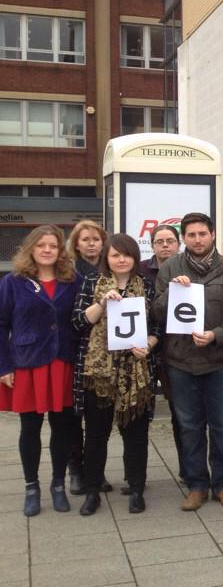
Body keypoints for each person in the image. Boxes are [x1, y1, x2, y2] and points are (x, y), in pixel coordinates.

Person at [154, 212, 223, 511]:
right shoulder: (170, 267)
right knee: (189, 425)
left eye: (202, 234)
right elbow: (155, 312)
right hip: (181, 360)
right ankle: (196, 485)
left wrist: (216, 334)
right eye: (191, 235)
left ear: (213, 234)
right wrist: (170, 293)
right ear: (184, 238)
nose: (197, 239)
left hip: (220, 360)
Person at [72, 234, 159, 515]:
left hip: (135, 372)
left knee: (136, 434)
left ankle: (136, 488)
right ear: (106, 259)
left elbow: (158, 326)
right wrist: (101, 303)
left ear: (134, 258)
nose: (121, 260)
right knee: (96, 435)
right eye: (115, 255)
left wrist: (149, 345)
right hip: (99, 374)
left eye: (127, 255)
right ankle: (93, 490)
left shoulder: (145, 285)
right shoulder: (91, 284)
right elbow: (76, 322)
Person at [0, 226, 82, 516]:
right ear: (31, 249)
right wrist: (4, 365)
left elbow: (82, 318)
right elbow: (2, 325)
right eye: (41, 245)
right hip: (29, 362)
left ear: (61, 251)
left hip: (63, 361)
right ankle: (31, 486)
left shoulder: (73, 280)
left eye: (53, 245)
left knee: (63, 426)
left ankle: (58, 484)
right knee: (30, 427)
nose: (47, 250)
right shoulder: (13, 282)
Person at [138, 224, 185, 491]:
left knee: (182, 414)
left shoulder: (187, 269)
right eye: (159, 241)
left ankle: (187, 470)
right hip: (145, 350)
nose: (165, 245)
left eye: (169, 240)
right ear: (152, 245)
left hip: (177, 350)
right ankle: (138, 475)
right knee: (141, 415)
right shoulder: (141, 271)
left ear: (178, 244)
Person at [66, 219, 109, 496]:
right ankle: (76, 471)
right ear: (76, 244)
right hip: (73, 347)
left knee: (98, 417)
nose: (91, 243)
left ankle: (95, 470)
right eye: (85, 239)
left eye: (96, 238)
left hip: (102, 352)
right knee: (73, 416)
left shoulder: (109, 269)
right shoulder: (68, 272)